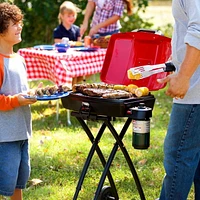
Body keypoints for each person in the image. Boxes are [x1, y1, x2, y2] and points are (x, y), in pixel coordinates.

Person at [156, 0, 200, 199]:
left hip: (195, 91)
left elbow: (199, 30)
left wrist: (184, 77)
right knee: (196, 158)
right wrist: (176, 66)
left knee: (178, 155)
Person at [0, 2, 37, 200]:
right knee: (2, 183)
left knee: (18, 182)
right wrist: (17, 100)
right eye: (13, 23)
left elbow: (19, 91)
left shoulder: (18, 58)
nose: (19, 26)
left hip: (22, 133)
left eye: (20, 22)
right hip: (3, 137)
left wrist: (30, 95)